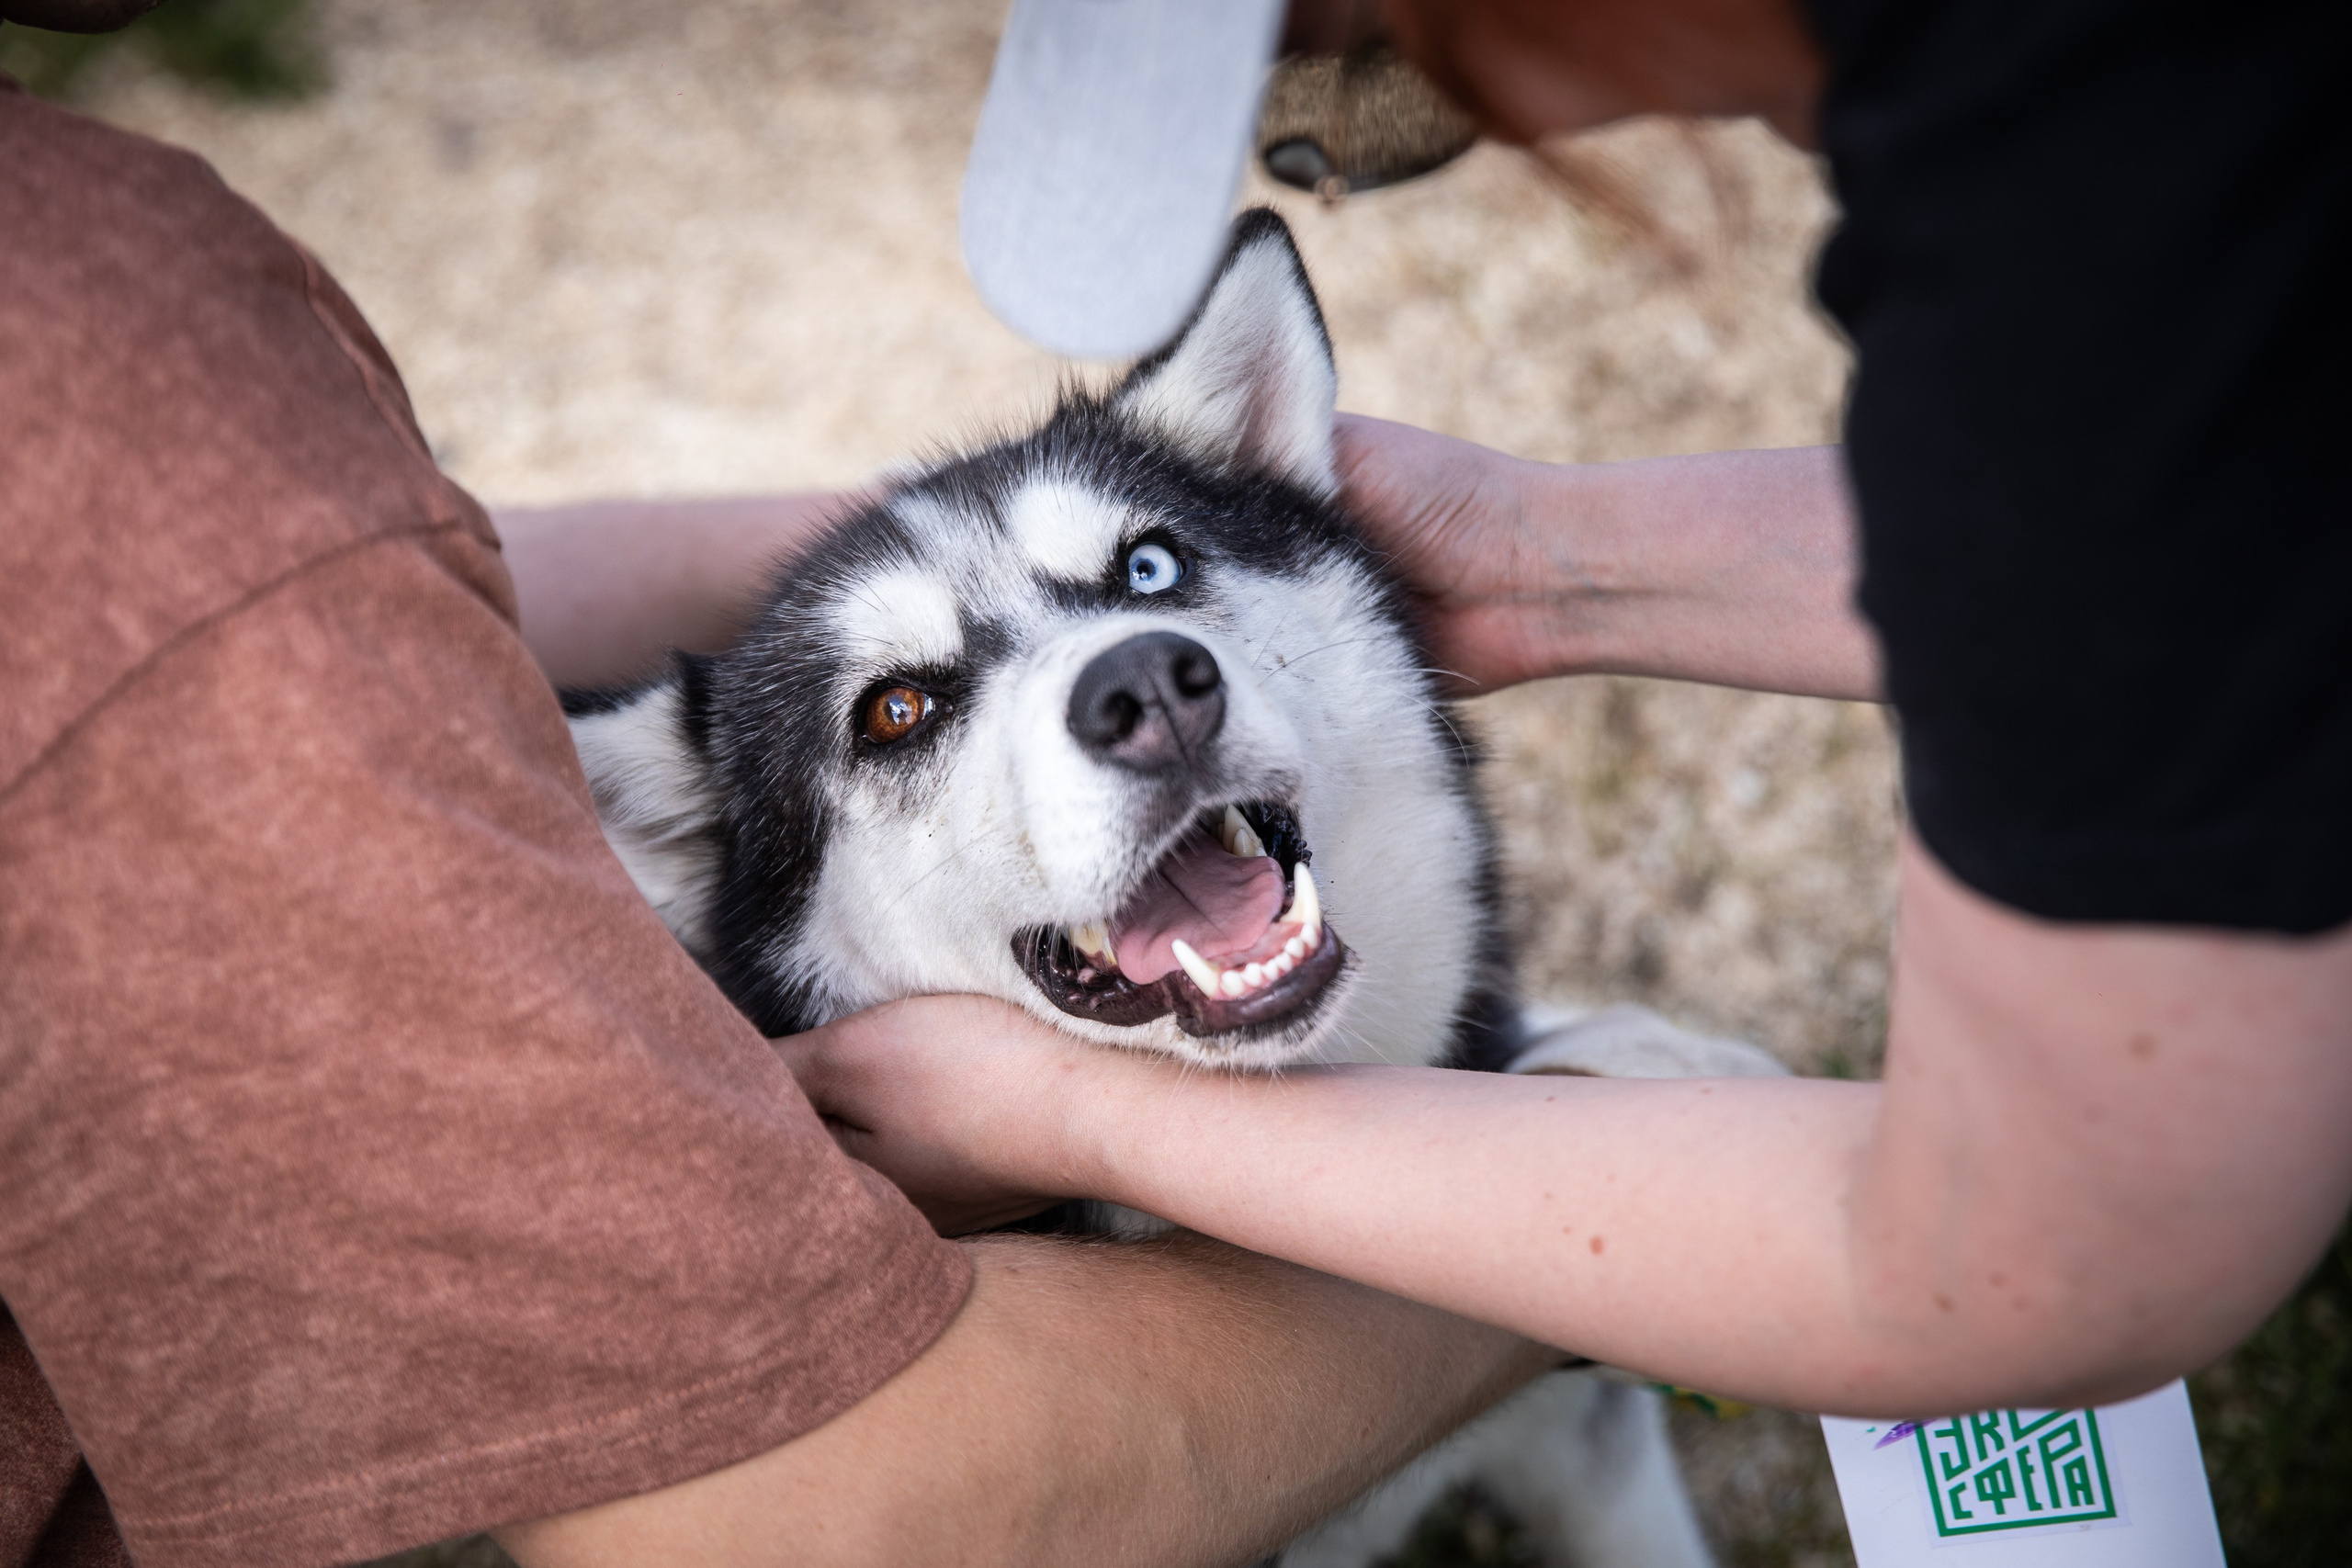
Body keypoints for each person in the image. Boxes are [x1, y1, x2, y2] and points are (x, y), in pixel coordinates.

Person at [0, 9, 1555, 1568]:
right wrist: (1565, 1214)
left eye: (1147, 573)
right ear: (718, 876)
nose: (1130, 673)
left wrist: (906, 552)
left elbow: (316, 579)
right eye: (899, 714)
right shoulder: (110, 371)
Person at [785, 0, 2352, 1450]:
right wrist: (1543, 562)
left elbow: (2038, 1263)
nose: (1345, 107)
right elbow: (2176, 537)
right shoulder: (2094, 158)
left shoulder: (2125, 204)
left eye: (1336, 29)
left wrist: (1079, 1120)